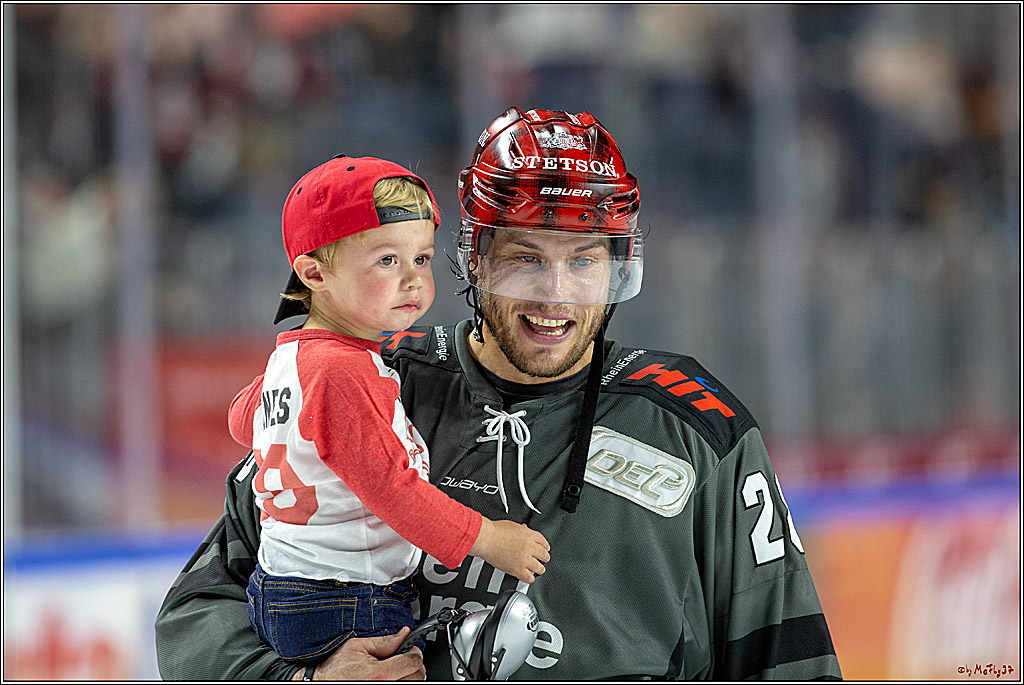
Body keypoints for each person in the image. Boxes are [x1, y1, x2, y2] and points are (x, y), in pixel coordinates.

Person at [155, 109, 843, 680]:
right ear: (476, 259)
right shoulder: (370, 383)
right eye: (525, 258)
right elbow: (196, 613)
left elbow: (791, 662)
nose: (556, 295)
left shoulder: (695, 428)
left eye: (584, 260)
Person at [223, 154, 550, 674]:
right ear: (315, 273)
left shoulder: (291, 359)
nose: (413, 279)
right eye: (387, 261)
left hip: (284, 585)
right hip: (345, 598)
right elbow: (395, 492)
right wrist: (489, 540)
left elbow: (242, 421)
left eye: (421, 258)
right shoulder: (340, 372)